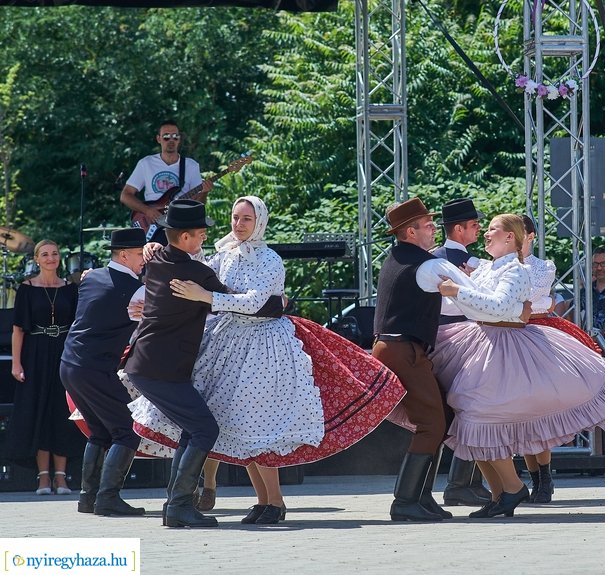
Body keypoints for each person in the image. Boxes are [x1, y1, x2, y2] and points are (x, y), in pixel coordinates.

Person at [131, 196, 407, 525]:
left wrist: (211, 297)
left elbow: (255, 301)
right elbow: (205, 274)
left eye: (246, 218)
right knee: (241, 425)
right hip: (229, 343)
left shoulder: (270, 259)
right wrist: (159, 252)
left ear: (259, 221)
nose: (239, 224)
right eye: (235, 217)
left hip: (264, 346)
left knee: (260, 423)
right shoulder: (225, 253)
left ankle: (273, 501)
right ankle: (260, 500)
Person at [430, 214, 605, 518]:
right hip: (483, 340)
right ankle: (501, 493)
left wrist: (460, 292)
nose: (485, 234)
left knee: (482, 415)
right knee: (471, 417)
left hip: (506, 346)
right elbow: (478, 306)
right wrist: (464, 294)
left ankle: (513, 487)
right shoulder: (487, 268)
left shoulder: (517, 270)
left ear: (510, 237)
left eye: (492, 231)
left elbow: (496, 306)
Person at [124, 199, 233, 528]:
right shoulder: (196, 272)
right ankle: (180, 504)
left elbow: (155, 243)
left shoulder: (157, 259)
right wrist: (276, 302)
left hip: (149, 364)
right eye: (200, 234)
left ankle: (176, 505)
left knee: (193, 428)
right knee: (205, 428)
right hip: (160, 369)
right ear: (185, 237)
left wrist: (152, 242)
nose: (203, 239)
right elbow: (234, 300)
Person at [373, 197, 469, 522]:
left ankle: (422, 496)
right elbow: (468, 301)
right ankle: (405, 501)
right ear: (410, 232)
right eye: (427, 225)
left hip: (399, 347)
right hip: (403, 350)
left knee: (442, 415)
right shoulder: (425, 265)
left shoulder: (401, 257)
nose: (433, 228)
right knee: (431, 423)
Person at [59, 228, 148, 516]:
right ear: (123, 255)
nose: (143, 261)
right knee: (127, 431)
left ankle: (88, 498)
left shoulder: (90, 277)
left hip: (70, 364)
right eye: (138, 255)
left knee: (99, 431)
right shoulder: (136, 289)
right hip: (95, 368)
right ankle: (108, 498)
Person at [519, 214, 601, 503]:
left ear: (531, 236)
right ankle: (536, 478)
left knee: (538, 409)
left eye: (519, 232)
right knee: (521, 413)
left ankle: (544, 476)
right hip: (510, 335)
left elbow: (534, 297)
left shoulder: (543, 266)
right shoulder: (497, 266)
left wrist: (533, 302)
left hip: (539, 333)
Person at [4, 239, 82, 496]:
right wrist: (16, 363)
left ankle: (61, 477)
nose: (50, 258)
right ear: (37, 259)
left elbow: (78, 327)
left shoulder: (70, 289)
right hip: (35, 353)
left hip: (63, 352)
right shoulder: (26, 289)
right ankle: (43, 477)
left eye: (54, 254)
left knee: (62, 412)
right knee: (38, 411)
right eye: (45, 254)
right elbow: (18, 329)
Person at [431, 198, 491, 508]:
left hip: (442, 338)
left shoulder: (432, 258)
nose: (479, 228)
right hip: (460, 338)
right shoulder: (469, 264)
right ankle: (460, 484)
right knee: (473, 407)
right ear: (459, 229)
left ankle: (463, 483)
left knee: (460, 409)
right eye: (474, 224)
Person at [120, 120, 211, 244]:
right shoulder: (146, 163)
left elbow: (198, 205)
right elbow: (125, 195)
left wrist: (204, 192)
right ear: (159, 139)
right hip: (152, 225)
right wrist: (147, 211)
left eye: (175, 136)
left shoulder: (191, 166)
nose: (171, 140)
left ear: (179, 139)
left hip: (179, 225)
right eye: (166, 137)